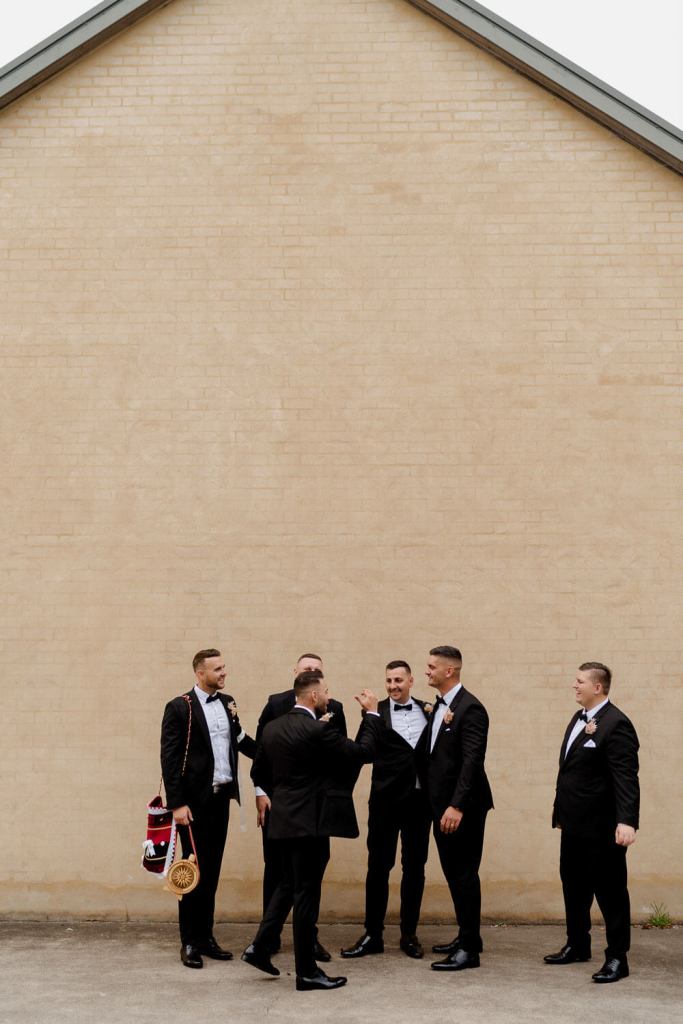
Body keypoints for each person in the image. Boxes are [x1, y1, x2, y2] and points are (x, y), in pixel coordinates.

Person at [242, 669, 382, 991]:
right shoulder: (319, 731)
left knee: (287, 885)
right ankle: (307, 972)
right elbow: (363, 754)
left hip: (283, 821)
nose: (329, 698)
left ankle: (260, 947)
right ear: (314, 696)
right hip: (310, 824)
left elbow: (259, 771)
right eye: (327, 692)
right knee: (306, 894)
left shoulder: (273, 730)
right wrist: (371, 715)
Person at [544, 662, 640, 983]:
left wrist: (627, 821)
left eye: (579, 681)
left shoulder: (617, 724)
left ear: (597, 687)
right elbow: (572, 772)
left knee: (610, 894)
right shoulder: (579, 718)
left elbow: (625, 777)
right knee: (574, 887)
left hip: (602, 829)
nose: (574, 685)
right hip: (573, 826)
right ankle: (577, 944)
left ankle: (617, 958)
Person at [160, 649, 256, 969]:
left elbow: (240, 740)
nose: (224, 673)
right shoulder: (179, 708)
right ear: (200, 673)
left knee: (212, 872)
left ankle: (206, 937)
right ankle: (188, 941)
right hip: (193, 806)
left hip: (220, 801)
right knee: (192, 873)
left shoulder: (228, 703)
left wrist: (272, 750)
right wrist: (177, 804)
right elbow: (170, 760)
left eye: (224, 667)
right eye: (218, 669)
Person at [253, 653, 346, 961]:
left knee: (301, 881)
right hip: (284, 809)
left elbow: (340, 760)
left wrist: (334, 797)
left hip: (316, 811)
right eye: (307, 668)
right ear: (296, 673)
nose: (312, 671)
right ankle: (272, 940)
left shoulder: (335, 710)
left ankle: (299, 940)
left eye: (317, 669)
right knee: (282, 876)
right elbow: (260, 757)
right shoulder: (276, 705)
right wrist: (262, 793)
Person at [341, 660, 431, 960]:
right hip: (385, 803)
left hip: (420, 803)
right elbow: (362, 751)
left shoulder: (429, 710)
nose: (393, 686)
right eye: (389, 681)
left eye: (398, 680)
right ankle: (373, 934)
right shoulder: (374, 712)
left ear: (411, 681)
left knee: (415, 869)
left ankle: (409, 934)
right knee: (378, 868)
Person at [415, 645, 493, 972]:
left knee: (463, 874)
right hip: (440, 806)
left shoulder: (470, 709)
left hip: (462, 809)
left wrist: (456, 806)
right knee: (454, 874)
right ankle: (468, 937)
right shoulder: (441, 707)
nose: (426, 671)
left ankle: (469, 951)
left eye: (432, 666)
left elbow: (472, 762)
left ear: (450, 671)